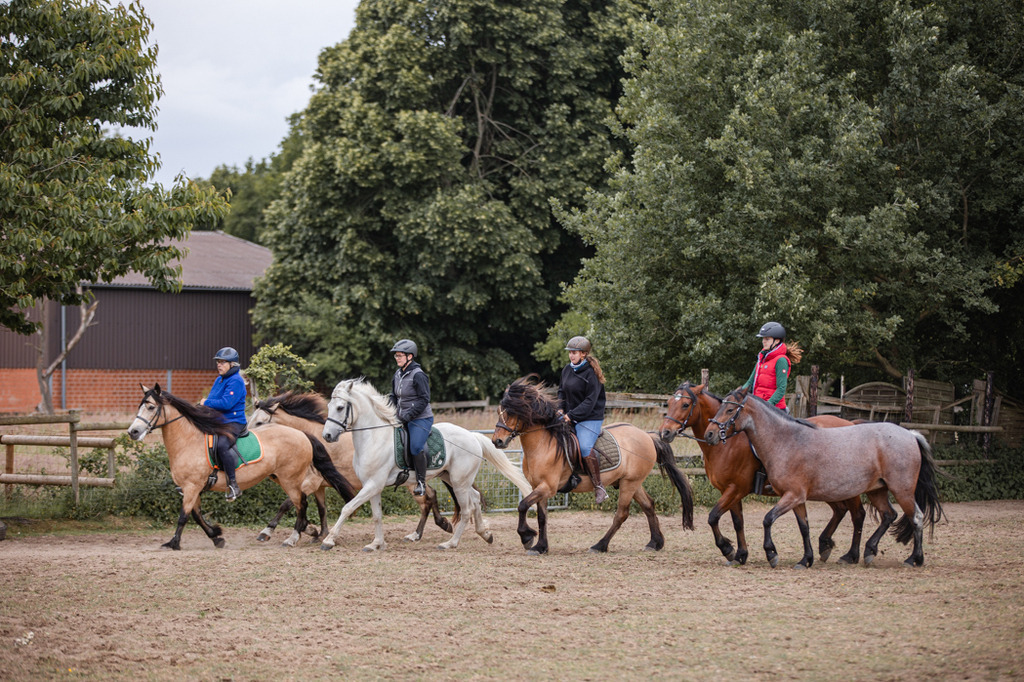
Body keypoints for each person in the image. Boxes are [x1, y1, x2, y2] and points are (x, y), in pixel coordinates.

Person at [557, 335, 608, 504]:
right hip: (569, 416)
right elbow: (561, 392)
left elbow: (590, 401)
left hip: (590, 418)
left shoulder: (591, 373)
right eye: (570, 352)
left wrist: (570, 415)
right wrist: (560, 409)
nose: (571, 355)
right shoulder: (566, 370)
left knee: (585, 447)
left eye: (575, 352)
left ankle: (599, 486)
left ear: (584, 354)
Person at [388, 339, 434, 497]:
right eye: (396, 356)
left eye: (400, 355)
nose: (397, 358)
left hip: (420, 418)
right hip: (401, 417)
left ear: (410, 356)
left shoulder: (418, 375)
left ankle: (421, 482)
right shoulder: (398, 374)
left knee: (415, 447)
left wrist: (408, 415)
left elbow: (424, 399)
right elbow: (394, 396)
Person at [201, 346, 247, 501]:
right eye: (218, 362)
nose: (219, 365)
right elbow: (213, 401)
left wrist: (205, 402)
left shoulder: (236, 381)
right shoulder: (220, 379)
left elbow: (226, 403)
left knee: (221, 445)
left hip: (234, 422)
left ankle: (233, 485)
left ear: (232, 365)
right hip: (219, 421)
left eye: (223, 362)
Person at [741, 321, 803, 411]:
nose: (763, 341)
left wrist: (768, 405)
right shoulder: (761, 359)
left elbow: (781, 388)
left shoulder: (781, 360)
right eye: (763, 339)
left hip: (773, 409)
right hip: (758, 405)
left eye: (767, 339)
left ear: (776, 341)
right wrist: (737, 394)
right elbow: (750, 382)